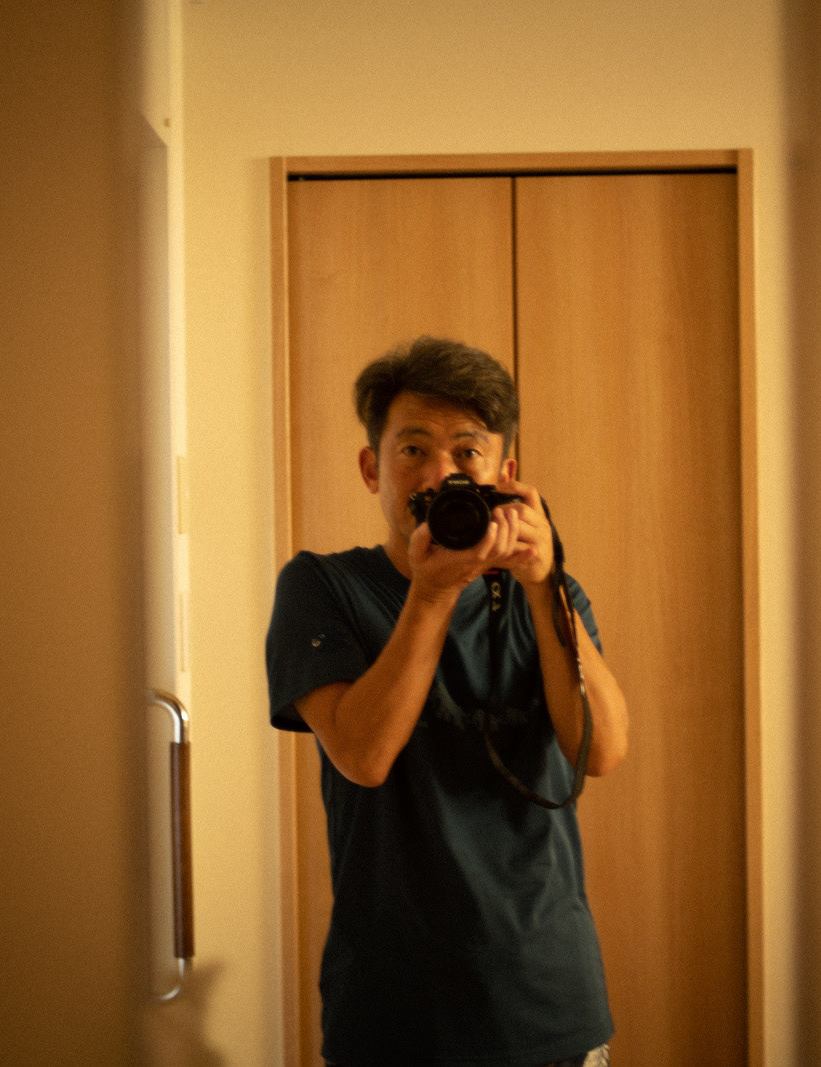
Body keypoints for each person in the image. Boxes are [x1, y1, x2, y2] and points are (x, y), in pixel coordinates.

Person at [266, 336, 630, 1067]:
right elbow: (363, 756)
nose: (442, 474)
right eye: (414, 450)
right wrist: (432, 593)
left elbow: (602, 750)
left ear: (505, 475)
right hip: (396, 1013)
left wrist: (543, 585)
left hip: (548, 1000)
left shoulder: (546, 595)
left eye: (468, 452)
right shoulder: (323, 588)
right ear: (372, 468)